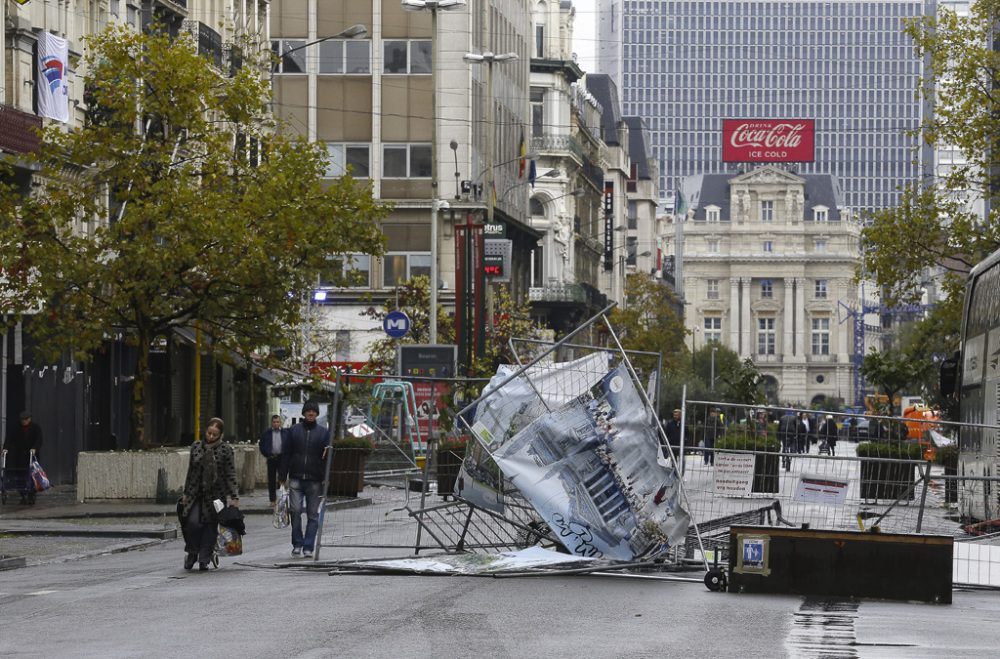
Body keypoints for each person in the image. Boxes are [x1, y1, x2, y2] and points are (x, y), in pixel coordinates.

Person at [180, 417, 239, 571]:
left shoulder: (225, 450)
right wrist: (186, 493)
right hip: (196, 493)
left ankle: (204, 558)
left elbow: (230, 474)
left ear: (220, 435)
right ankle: (192, 552)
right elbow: (190, 471)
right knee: (192, 523)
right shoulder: (196, 446)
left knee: (210, 527)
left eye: (214, 434)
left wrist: (234, 496)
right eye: (209, 433)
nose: (211, 437)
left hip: (215, 495)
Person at [279, 400, 331, 558]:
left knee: (312, 514)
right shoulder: (293, 431)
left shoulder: (323, 433)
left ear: (317, 414)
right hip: (295, 477)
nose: (311, 413)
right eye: (308, 410)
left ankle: (308, 546)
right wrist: (282, 475)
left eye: (313, 411)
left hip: (315, 479)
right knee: (294, 511)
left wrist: (326, 477)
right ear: (303, 413)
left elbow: (327, 457)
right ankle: (297, 543)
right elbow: (286, 454)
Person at [1, 411, 44, 503]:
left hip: (31, 455)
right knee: (20, 474)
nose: (23, 422)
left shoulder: (35, 428)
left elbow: (39, 439)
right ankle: (23, 494)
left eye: (25, 420)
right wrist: (5, 448)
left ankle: (31, 494)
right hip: (19, 455)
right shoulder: (16, 428)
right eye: (22, 420)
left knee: (32, 474)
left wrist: (34, 448)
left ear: (29, 419)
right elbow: (9, 438)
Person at [258, 414, 288, 506]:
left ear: (280, 423)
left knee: (282, 479)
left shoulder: (285, 433)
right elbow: (261, 446)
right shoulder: (266, 433)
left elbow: (289, 445)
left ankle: (282, 498)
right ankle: (272, 500)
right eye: (274, 422)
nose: (276, 424)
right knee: (271, 479)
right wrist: (267, 454)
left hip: (282, 458)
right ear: (271, 423)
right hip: (271, 458)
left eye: (277, 422)